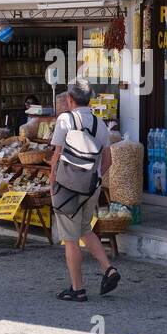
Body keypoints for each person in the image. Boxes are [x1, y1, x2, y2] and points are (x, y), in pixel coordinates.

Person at [49, 78, 119, 301]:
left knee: (70, 238)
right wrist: (94, 178)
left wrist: (52, 184)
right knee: (85, 229)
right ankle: (108, 268)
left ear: (70, 99)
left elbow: (56, 157)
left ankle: (77, 288)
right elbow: (108, 160)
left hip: (67, 187)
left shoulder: (65, 120)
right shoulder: (101, 124)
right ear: (90, 99)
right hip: (91, 187)